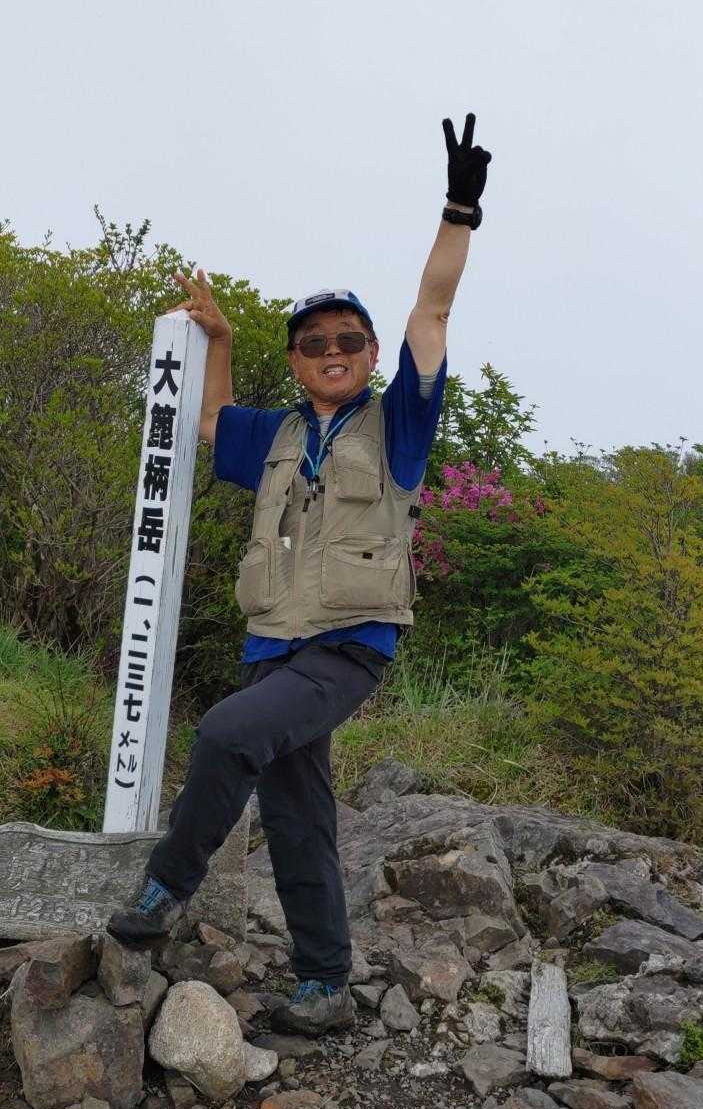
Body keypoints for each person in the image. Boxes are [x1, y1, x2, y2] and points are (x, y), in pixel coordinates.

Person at [108, 112, 490, 1033]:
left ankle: (166, 889)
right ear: (297, 360)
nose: (332, 353)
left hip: (347, 646)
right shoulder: (277, 434)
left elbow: (432, 312)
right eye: (314, 344)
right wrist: (222, 340)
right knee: (297, 816)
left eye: (348, 341)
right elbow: (211, 423)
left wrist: (458, 212)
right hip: (271, 647)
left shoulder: (399, 426)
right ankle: (324, 986)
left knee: (226, 734)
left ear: (370, 354)